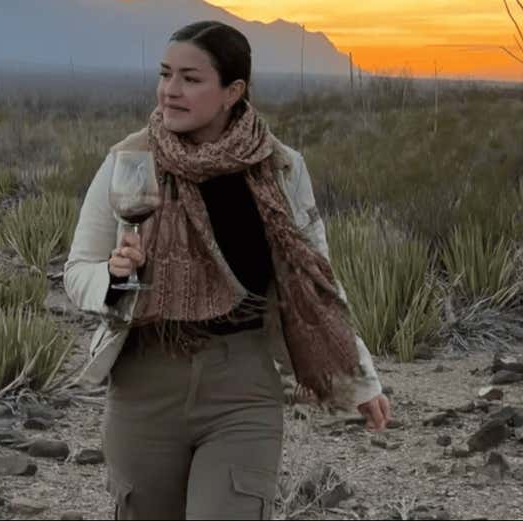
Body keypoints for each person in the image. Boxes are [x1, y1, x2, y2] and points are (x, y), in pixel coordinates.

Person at [63, 20, 392, 520]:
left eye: (191, 79)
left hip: (242, 384)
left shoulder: (280, 168)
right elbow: (76, 271)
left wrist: (358, 379)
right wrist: (113, 276)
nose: (170, 91)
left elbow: (317, 285)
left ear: (232, 91)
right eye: (166, 74)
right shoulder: (129, 160)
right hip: (145, 383)